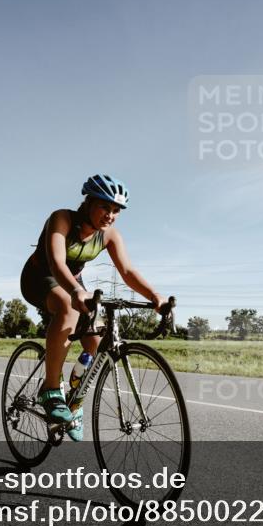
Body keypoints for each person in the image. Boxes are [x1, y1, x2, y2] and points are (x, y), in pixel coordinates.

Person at [20, 174, 168, 441]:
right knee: (68, 307)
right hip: (40, 277)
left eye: (115, 211)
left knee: (95, 343)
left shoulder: (109, 235)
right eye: (104, 207)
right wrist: (76, 291)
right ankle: (51, 390)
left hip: (74, 282)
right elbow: (56, 262)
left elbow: (127, 270)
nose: (110, 215)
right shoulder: (62, 219)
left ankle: (74, 403)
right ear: (87, 203)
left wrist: (155, 296)